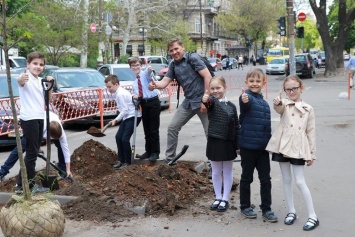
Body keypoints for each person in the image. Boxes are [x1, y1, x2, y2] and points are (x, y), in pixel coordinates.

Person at [266, 75, 319, 231]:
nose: (291, 91)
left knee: (300, 181)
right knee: (286, 179)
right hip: (283, 144)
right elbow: (279, 108)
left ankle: (313, 216)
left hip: (298, 146)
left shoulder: (308, 108)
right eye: (288, 89)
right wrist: (277, 102)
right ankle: (291, 211)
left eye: (294, 88)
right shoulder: (285, 104)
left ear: (300, 88)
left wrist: (312, 153)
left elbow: (311, 132)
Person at [148, 38, 212, 163]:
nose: (174, 52)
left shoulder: (192, 58)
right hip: (188, 102)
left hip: (202, 100)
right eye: (171, 50)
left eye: (176, 49)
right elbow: (165, 82)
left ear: (182, 47)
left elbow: (207, 76)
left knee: (210, 133)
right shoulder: (172, 64)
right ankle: (170, 159)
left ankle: (213, 164)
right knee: (172, 127)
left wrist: (206, 99)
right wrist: (155, 85)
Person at [238, 68, 278, 223]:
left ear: (263, 83)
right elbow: (244, 105)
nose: (254, 84)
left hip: (262, 149)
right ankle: (245, 206)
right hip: (248, 147)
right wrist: (244, 99)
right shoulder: (246, 97)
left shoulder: (264, 103)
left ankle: (266, 208)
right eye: (251, 81)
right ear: (247, 83)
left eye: (258, 81)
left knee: (266, 180)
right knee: (246, 178)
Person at [15, 52, 54, 193]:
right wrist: (21, 78)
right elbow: (20, 81)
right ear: (28, 64)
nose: (38, 67)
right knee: (31, 153)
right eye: (35, 63)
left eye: (41, 64)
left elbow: (48, 99)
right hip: (29, 119)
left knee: (33, 152)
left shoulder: (40, 80)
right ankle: (26, 186)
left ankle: (22, 185)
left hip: (39, 117)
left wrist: (50, 85)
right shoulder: (25, 77)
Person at [202, 76, 239, 212]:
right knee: (216, 172)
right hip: (214, 140)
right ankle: (217, 197)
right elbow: (208, 102)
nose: (215, 91)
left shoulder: (232, 106)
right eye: (213, 88)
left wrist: (238, 144)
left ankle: (225, 198)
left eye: (218, 88)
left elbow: (236, 125)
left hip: (228, 142)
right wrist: (205, 99)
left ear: (225, 88)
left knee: (227, 171)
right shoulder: (212, 102)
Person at [0, 111, 73, 182]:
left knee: (61, 146)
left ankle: (62, 170)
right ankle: (3, 171)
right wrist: (37, 147)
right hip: (33, 124)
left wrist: (68, 169)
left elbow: (65, 150)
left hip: (47, 121)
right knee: (21, 148)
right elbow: (36, 139)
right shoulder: (42, 128)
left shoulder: (60, 132)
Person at [105, 74, 142, 170]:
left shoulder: (120, 94)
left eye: (110, 87)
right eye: (107, 87)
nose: (108, 89)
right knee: (118, 137)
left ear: (116, 84)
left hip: (133, 116)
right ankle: (121, 160)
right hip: (127, 117)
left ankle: (128, 162)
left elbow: (125, 110)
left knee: (124, 139)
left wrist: (116, 120)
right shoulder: (117, 93)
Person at [129, 57, 161, 161]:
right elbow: (138, 94)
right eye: (133, 66)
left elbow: (148, 73)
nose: (135, 67)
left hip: (153, 102)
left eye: (137, 65)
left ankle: (155, 152)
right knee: (146, 129)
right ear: (130, 68)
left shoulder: (144, 74)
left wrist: (149, 69)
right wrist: (135, 96)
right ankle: (149, 151)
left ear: (141, 66)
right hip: (144, 103)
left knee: (153, 129)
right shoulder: (134, 82)